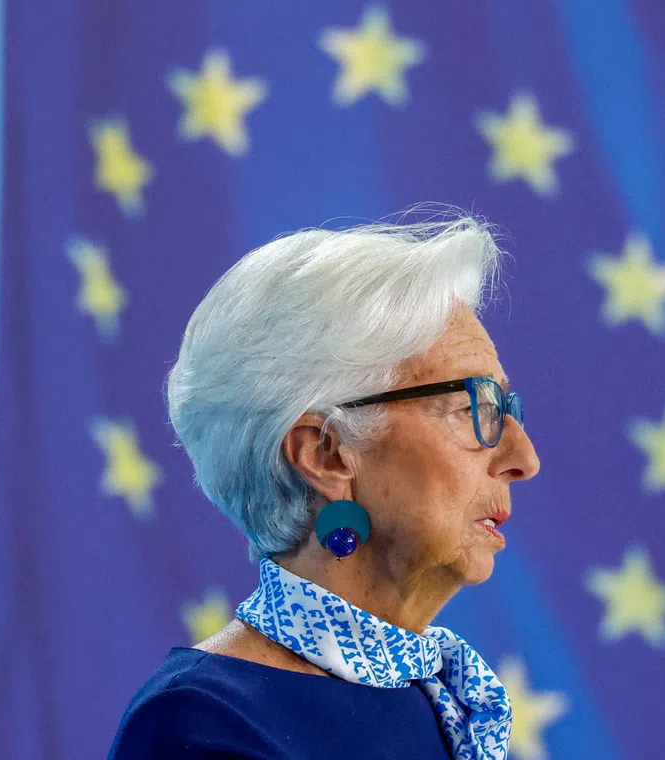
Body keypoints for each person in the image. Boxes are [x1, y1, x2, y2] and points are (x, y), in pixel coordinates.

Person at [107, 213, 541, 759]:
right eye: (470, 409)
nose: (523, 458)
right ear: (326, 453)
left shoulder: (446, 702)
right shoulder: (204, 725)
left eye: (505, 409)